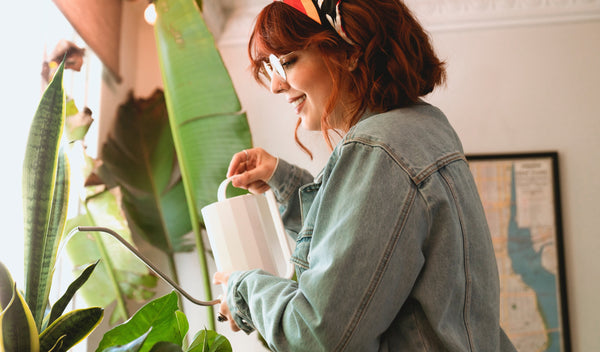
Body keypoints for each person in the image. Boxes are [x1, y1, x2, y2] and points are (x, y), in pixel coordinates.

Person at [213, 0, 517, 351]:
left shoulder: (379, 150)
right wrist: (284, 182)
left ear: (350, 51)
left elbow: (319, 336)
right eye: (271, 67)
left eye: (288, 61)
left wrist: (243, 290)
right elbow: (369, 257)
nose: (276, 86)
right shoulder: (423, 129)